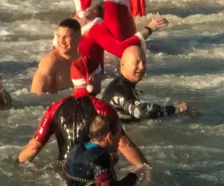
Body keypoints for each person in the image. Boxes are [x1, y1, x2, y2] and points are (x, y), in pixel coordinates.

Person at [17, 57, 147, 167]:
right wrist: (146, 170)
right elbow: (123, 144)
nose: (101, 77)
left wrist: (16, 165)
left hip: (65, 173)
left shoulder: (54, 108)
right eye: (98, 75)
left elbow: (33, 148)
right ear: (90, 79)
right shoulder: (103, 109)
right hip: (94, 174)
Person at [102, 45, 193, 121]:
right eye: (136, 63)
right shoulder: (118, 91)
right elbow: (140, 112)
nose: (141, 67)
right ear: (122, 64)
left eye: (144, 62)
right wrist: (177, 109)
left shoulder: (125, 85)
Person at [64, 114, 139, 186]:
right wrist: (134, 175)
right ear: (109, 137)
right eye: (118, 135)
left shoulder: (74, 150)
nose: (119, 140)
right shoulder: (101, 157)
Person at [32, 19, 82, 94]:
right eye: (58, 36)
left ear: (79, 38)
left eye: (66, 37)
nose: (61, 41)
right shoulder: (50, 63)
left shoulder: (82, 60)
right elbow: (35, 97)